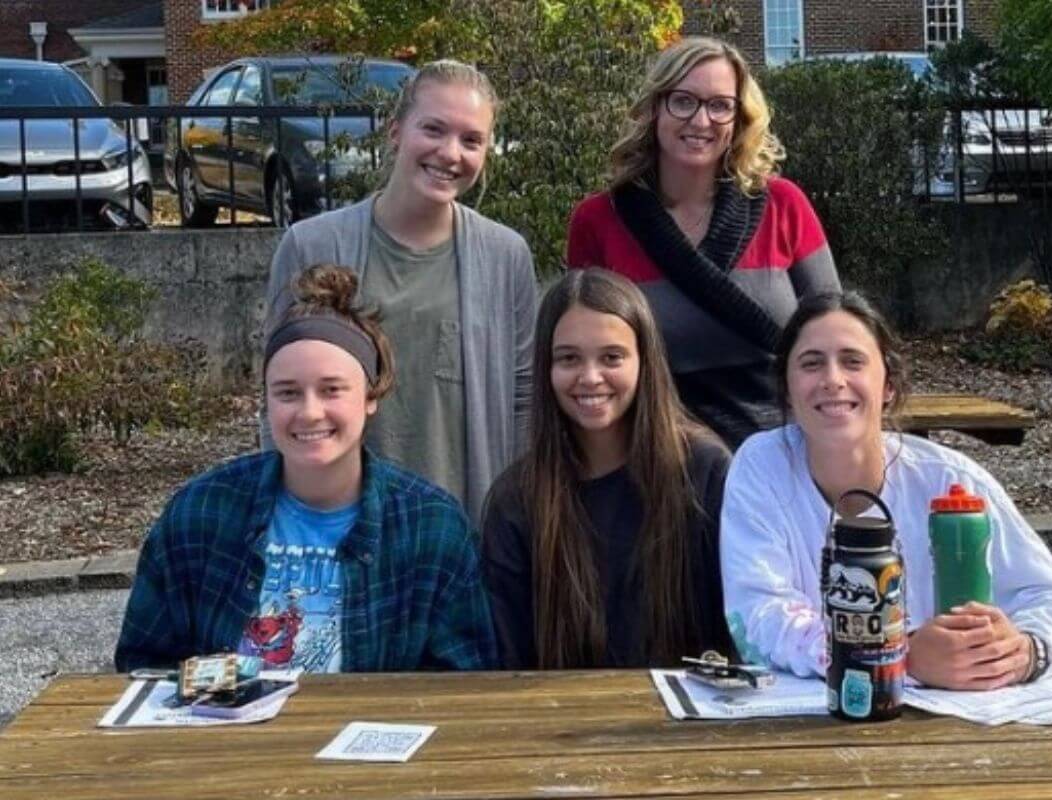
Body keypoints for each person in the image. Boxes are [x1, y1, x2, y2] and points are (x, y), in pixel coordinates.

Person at [720, 291, 1052, 690]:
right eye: (811, 364)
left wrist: (1023, 653)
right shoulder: (761, 469)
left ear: (889, 385)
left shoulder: (951, 481)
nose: (832, 380)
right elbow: (757, 620)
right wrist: (900, 656)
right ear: (787, 388)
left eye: (853, 361)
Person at [115, 266, 497, 673]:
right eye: (288, 393)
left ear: (371, 395)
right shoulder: (200, 513)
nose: (310, 412)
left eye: (332, 389)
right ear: (266, 399)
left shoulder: (431, 527)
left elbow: (463, 682)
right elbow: (144, 666)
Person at [265, 60, 537, 523]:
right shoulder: (310, 245)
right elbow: (277, 392)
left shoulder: (505, 256)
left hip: (462, 528)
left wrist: (512, 524)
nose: (451, 153)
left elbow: (523, 400)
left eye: (472, 140)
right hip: (338, 526)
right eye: (433, 129)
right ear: (395, 132)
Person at [566, 36, 840, 448]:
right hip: (654, 455)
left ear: (739, 119)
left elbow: (837, 333)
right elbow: (584, 351)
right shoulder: (599, 220)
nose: (700, 120)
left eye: (719, 105)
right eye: (683, 100)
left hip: (782, 452)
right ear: (655, 108)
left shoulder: (785, 206)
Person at [481, 269, 733, 668]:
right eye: (569, 359)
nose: (590, 377)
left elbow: (738, 628)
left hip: (691, 718)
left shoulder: (704, 471)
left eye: (611, 357)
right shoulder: (516, 500)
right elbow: (510, 661)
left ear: (644, 361)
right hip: (561, 718)